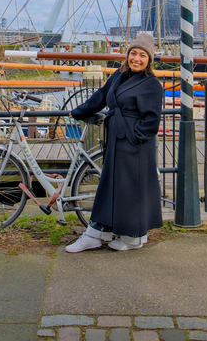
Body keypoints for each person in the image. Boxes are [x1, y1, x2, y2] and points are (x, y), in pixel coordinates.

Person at [65, 32, 164, 252]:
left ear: (149, 60)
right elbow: (100, 96)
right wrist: (78, 112)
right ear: (127, 55)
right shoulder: (119, 75)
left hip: (134, 144)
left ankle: (133, 237)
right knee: (111, 187)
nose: (136, 59)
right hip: (116, 140)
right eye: (133, 53)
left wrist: (135, 137)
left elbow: (152, 121)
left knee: (132, 191)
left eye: (142, 55)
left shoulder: (152, 85)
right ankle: (100, 232)